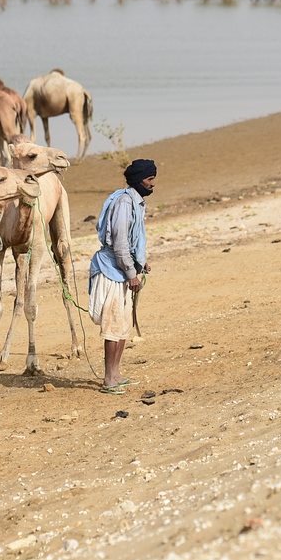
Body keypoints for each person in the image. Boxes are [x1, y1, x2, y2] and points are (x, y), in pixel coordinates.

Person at [88, 158, 156, 394]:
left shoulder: (136, 202)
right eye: (149, 179)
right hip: (113, 271)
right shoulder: (125, 203)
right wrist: (130, 273)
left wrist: (141, 263)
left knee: (123, 325)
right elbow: (119, 243)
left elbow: (133, 238)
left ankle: (116, 374)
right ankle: (108, 380)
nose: (152, 184)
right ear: (139, 180)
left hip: (125, 271)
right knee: (113, 325)